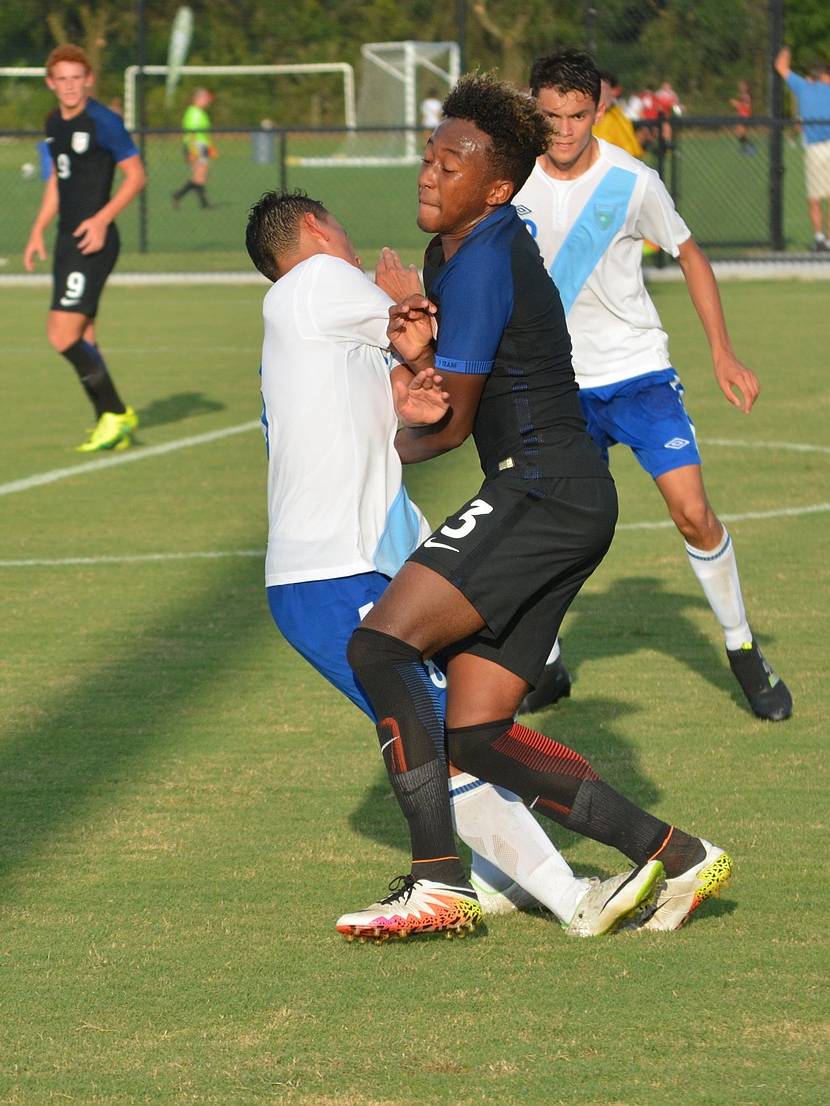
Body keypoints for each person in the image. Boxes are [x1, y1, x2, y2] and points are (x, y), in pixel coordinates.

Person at [337, 73, 731, 941]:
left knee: (378, 645)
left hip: (541, 489)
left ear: (498, 187)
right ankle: (677, 852)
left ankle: (439, 881)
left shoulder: (481, 259)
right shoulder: (460, 250)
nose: (428, 174)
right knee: (477, 733)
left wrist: (366, 445)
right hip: (558, 493)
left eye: (451, 164)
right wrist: (420, 336)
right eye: (429, 156)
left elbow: (447, 429)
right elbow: (465, 377)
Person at [245, 188, 666, 938]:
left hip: (348, 561)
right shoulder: (316, 282)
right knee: (453, 733)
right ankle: (570, 897)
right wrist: (410, 298)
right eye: (339, 226)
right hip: (333, 569)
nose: (350, 243)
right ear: (315, 226)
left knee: (454, 728)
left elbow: (409, 409)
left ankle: (501, 880)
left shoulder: (305, 329)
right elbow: (430, 325)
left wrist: (406, 390)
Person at [515, 49, 792, 724]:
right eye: (550, 116)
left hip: (637, 374)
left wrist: (722, 355)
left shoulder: (631, 181)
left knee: (692, 511)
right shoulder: (510, 179)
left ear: (600, 109)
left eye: (578, 115)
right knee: (548, 527)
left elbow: (690, 254)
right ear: (533, 110)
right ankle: (544, 661)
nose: (565, 129)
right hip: (556, 385)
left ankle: (742, 647)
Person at [23, 44, 144, 452]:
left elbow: (135, 176)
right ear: (51, 82)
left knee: (61, 334)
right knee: (85, 335)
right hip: (65, 239)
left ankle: (116, 411)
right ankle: (107, 423)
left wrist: (101, 218)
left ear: (88, 80)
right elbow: (58, 180)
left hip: (93, 241)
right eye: (63, 79)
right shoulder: (53, 122)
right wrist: (38, 228)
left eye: (78, 78)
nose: (71, 86)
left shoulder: (104, 122)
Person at [774, 48, 830, 252]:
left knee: (815, 198)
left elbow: (780, 66)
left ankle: (819, 238)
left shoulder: (804, 87)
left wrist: (787, 48)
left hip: (815, 150)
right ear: (825, 76)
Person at [172, 88, 217, 210]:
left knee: (200, 175)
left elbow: (203, 133)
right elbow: (192, 132)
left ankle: (180, 196)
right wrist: (193, 149)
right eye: (205, 99)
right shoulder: (194, 112)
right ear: (198, 99)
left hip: (201, 145)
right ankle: (200, 202)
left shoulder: (199, 112)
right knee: (200, 175)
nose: (208, 101)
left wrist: (210, 146)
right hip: (195, 146)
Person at [593, 71, 645, 160]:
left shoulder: (618, 119)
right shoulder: (585, 117)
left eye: (603, 88)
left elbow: (631, 152)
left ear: (613, 91)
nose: (600, 92)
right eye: (596, 88)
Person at [729, 79, 755, 154]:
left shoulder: (746, 96)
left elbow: (748, 107)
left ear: (746, 87)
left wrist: (737, 104)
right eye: (740, 85)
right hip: (741, 116)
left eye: (742, 85)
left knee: (740, 133)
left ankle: (749, 147)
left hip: (745, 116)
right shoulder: (742, 95)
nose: (740, 87)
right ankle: (747, 147)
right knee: (739, 133)